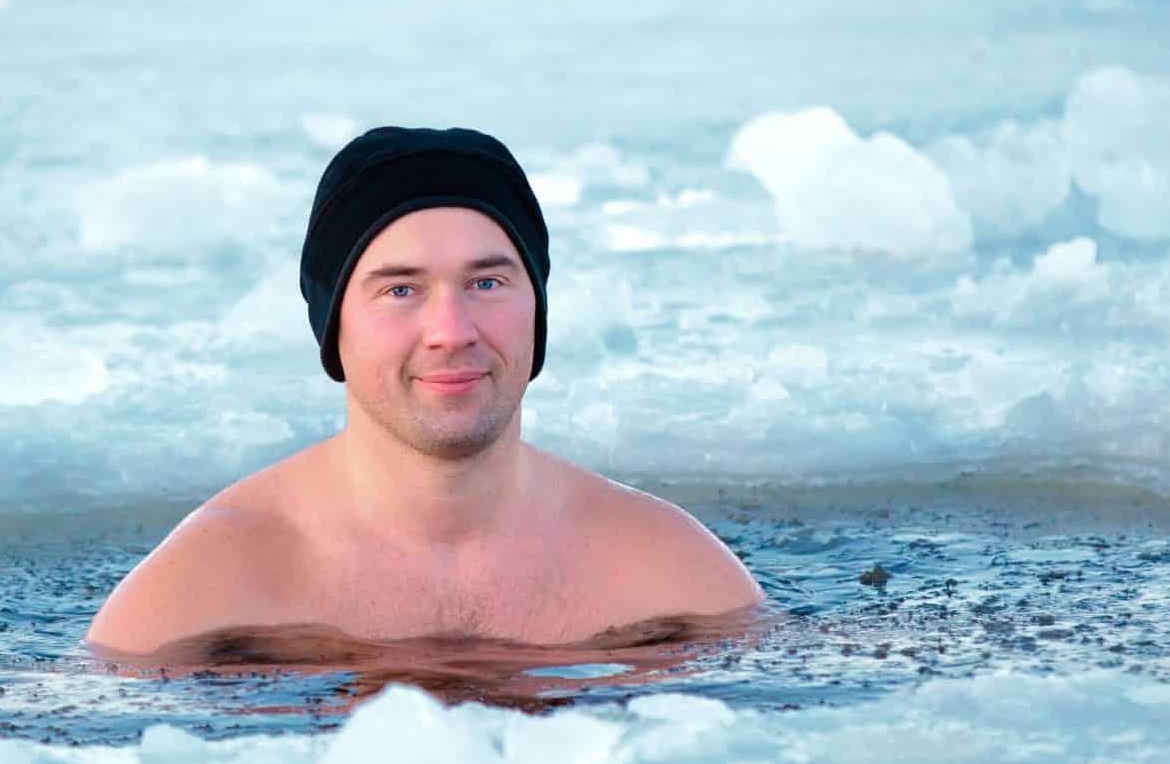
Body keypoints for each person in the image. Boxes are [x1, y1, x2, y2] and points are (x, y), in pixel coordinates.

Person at [86, 125, 764, 659]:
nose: (451, 330)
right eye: (401, 290)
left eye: (487, 283)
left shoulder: (666, 569)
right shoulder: (206, 587)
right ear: (334, 325)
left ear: (537, 308)